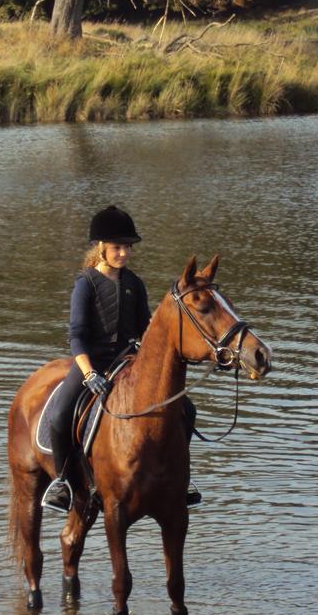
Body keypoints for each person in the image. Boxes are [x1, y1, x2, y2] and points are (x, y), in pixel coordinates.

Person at [41, 205, 201, 512]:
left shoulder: (134, 284)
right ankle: (62, 482)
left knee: (187, 410)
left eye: (127, 247)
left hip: (128, 361)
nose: (124, 254)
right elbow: (76, 336)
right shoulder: (85, 284)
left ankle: (182, 478)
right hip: (92, 363)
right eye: (117, 248)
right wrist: (88, 374)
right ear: (100, 247)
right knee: (60, 415)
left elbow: (145, 330)